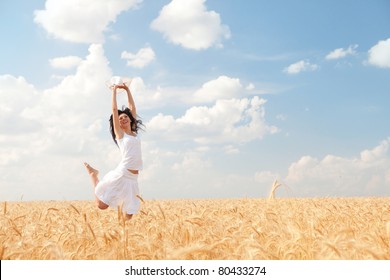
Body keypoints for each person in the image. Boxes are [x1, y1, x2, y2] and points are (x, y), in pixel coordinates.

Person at [84, 82, 144, 220]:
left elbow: (132, 107)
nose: (123, 118)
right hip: (122, 174)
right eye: (120, 118)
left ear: (130, 119)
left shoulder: (135, 133)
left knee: (130, 212)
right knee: (101, 205)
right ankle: (93, 175)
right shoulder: (121, 136)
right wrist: (114, 91)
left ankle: (121, 235)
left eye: (125, 116)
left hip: (133, 178)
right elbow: (114, 109)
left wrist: (128, 89)